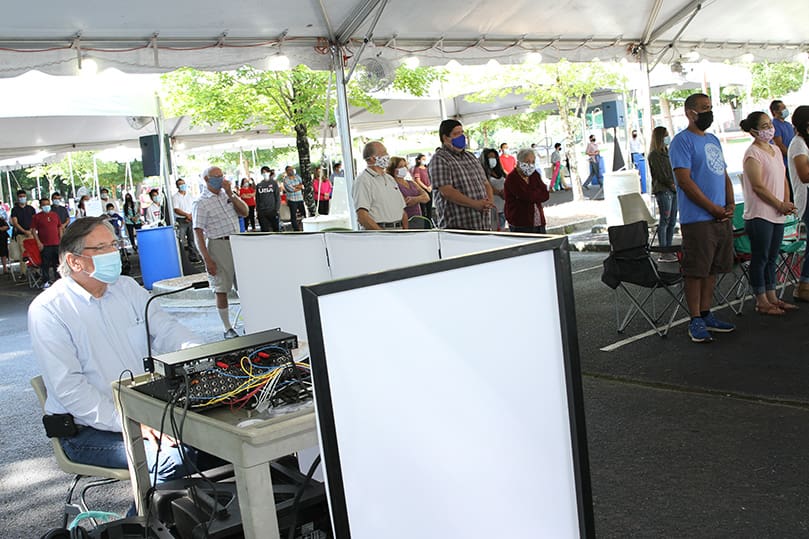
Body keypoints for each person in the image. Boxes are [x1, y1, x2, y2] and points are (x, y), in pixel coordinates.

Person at [28, 216, 203, 484]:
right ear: (74, 261)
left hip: (145, 410)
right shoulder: (49, 310)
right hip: (87, 430)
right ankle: (139, 526)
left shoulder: (127, 288)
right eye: (102, 248)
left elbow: (167, 331)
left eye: (114, 244)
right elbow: (70, 390)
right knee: (174, 459)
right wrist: (132, 422)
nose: (114, 253)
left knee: (216, 442)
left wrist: (203, 357)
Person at [669, 92, 737, 343]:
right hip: (698, 218)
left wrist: (729, 204)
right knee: (696, 269)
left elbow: (724, 174)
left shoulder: (713, 140)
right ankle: (695, 319)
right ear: (690, 113)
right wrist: (712, 207)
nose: (708, 112)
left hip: (720, 216)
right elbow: (685, 181)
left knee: (712, 268)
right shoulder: (682, 141)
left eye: (710, 107)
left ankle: (707, 313)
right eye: (703, 108)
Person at [739, 111, 798, 315]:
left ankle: (772, 296)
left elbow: (783, 179)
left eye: (769, 125)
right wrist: (778, 204)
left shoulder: (774, 149)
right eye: (764, 126)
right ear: (754, 130)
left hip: (777, 213)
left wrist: (786, 201)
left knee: (772, 257)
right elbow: (758, 186)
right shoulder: (752, 153)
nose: (769, 129)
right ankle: (761, 299)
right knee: (760, 257)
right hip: (759, 214)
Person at [193, 166, 249, 339]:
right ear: (206, 180)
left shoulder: (227, 195)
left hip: (237, 242)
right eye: (215, 177)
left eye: (221, 175)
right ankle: (227, 327)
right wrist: (207, 259)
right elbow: (198, 232)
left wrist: (231, 194)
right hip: (218, 244)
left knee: (246, 286)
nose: (220, 179)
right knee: (221, 288)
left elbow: (245, 212)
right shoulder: (200, 202)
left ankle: (250, 320)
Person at [428, 119, 495, 230]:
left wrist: (489, 201)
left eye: (461, 133)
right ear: (445, 138)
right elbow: (447, 191)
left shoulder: (471, 156)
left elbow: (485, 183)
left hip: (482, 224)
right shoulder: (439, 159)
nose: (461, 137)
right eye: (456, 134)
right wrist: (475, 204)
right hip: (459, 227)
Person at [352, 142, 408, 230]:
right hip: (380, 232)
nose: (387, 155)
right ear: (372, 158)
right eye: (383, 153)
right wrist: (382, 234)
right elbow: (362, 216)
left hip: (398, 230)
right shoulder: (363, 180)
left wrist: (405, 231)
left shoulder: (390, 179)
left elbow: (402, 210)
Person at [787, 106, 809, 302]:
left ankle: (804, 284)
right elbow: (804, 175)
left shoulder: (804, 143)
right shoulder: (798, 144)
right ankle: (803, 285)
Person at [648, 126, 678, 259]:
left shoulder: (667, 152)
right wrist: (671, 184)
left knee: (672, 220)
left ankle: (669, 247)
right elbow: (661, 174)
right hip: (664, 190)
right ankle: (663, 249)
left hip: (673, 189)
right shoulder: (654, 154)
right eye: (665, 135)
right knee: (664, 220)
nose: (667, 138)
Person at [504, 148, 550, 233]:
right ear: (519, 162)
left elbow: (545, 194)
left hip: (539, 222)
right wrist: (537, 193)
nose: (530, 165)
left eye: (533, 162)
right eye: (527, 162)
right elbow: (526, 196)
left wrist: (534, 193)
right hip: (521, 223)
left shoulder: (534, 174)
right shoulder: (512, 178)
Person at [387, 156, 428, 226]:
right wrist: (420, 198)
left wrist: (415, 199)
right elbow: (405, 202)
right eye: (400, 166)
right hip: (404, 222)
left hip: (418, 219)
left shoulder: (411, 183)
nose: (404, 168)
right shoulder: (392, 184)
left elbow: (427, 197)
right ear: (393, 169)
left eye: (405, 166)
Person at [31, 197, 62, 286]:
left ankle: (58, 280)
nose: (46, 206)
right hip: (45, 244)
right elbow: (33, 230)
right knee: (45, 264)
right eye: (44, 205)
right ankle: (46, 281)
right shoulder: (37, 217)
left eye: (47, 204)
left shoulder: (55, 215)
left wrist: (61, 238)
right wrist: (38, 242)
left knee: (57, 263)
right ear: (41, 206)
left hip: (56, 243)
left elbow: (59, 227)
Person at [480, 149, 507, 230]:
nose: (493, 159)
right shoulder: (482, 172)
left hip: (503, 208)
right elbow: (485, 185)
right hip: (492, 210)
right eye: (490, 157)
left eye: (494, 157)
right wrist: (499, 192)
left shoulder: (499, 171)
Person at [11, 189, 35, 276]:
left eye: (24, 196)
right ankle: (23, 272)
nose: (22, 198)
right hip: (21, 234)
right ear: (17, 198)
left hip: (31, 233)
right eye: (20, 197)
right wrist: (25, 231)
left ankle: (35, 272)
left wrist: (31, 231)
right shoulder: (15, 210)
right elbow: (15, 223)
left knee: (33, 252)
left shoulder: (31, 209)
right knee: (23, 253)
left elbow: (34, 220)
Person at [172, 178, 198, 261]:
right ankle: (182, 259)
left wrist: (190, 216)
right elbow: (176, 209)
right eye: (180, 184)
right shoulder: (175, 197)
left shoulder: (190, 195)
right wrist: (186, 215)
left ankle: (193, 256)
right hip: (181, 220)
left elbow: (194, 206)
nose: (182, 186)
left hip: (191, 219)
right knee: (181, 240)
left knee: (192, 239)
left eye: (183, 183)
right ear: (177, 186)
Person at [256, 166, 281, 232]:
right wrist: (258, 210)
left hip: (272, 210)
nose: (265, 173)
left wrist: (276, 209)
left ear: (269, 173)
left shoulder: (274, 183)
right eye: (263, 172)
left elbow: (277, 196)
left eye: (266, 172)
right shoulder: (259, 185)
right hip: (262, 211)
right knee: (264, 230)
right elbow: (257, 199)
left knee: (275, 229)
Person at [771, 100, 794, 170]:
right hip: (785, 164)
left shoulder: (788, 124)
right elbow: (779, 145)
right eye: (783, 108)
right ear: (775, 111)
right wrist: (791, 157)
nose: (786, 110)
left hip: (792, 161)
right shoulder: (774, 125)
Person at [411, 153, 433, 224]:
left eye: (425, 159)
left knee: (429, 208)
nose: (424, 160)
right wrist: (426, 187)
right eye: (423, 159)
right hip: (423, 190)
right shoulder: (417, 169)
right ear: (419, 160)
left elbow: (431, 178)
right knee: (423, 208)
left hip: (429, 189)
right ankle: (424, 223)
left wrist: (430, 186)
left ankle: (429, 222)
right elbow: (418, 180)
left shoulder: (427, 168)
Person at [282, 166, 304, 231]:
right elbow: (291, 189)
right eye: (289, 170)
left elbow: (302, 185)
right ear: (286, 171)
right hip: (292, 200)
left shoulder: (298, 177)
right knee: (293, 216)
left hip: (300, 198)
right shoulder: (286, 180)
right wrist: (298, 187)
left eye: (291, 169)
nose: (291, 171)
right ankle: (296, 229)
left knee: (303, 214)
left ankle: (303, 227)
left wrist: (296, 186)